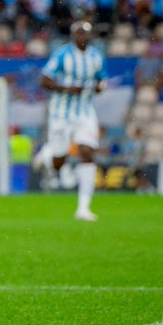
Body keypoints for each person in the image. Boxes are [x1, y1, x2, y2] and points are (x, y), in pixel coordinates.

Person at [34, 21, 106, 221]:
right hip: (60, 114)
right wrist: (67, 88)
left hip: (85, 112)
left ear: (90, 36)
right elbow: (44, 80)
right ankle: (47, 155)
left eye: (85, 34)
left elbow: (102, 80)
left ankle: (83, 208)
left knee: (87, 152)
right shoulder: (62, 55)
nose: (82, 37)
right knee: (59, 161)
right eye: (78, 33)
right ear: (73, 36)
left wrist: (100, 87)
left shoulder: (96, 57)